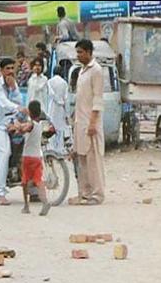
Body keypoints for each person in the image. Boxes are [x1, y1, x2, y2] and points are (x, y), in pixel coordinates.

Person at [69, 39, 105, 206]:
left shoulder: (96, 70)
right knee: (81, 159)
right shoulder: (82, 71)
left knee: (93, 161)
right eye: (77, 52)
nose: (78, 55)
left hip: (91, 123)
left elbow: (98, 99)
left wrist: (93, 123)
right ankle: (84, 194)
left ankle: (97, 195)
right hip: (80, 122)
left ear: (89, 52)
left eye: (81, 52)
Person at [0, 58, 23, 205]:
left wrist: (14, 88)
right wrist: (18, 109)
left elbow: (19, 100)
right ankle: (0, 193)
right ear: (2, 71)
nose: (10, 71)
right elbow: (4, 103)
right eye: (7, 68)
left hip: (12, 124)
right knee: (4, 155)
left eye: (12, 68)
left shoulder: (12, 84)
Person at [12, 100, 51, 216]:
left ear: (29, 112)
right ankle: (45, 201)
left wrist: (17, 126)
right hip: (37, 157)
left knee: (24, 181)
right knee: (38, 181)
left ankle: (26, 205)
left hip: (27, 157)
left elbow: (24, 129)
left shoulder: (31, 124)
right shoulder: (39, 125)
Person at [47, 66, 69, 154]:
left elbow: (50, 94)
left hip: (52, 106)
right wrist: (66, 112)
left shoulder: (50, 81)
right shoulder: (64, 83)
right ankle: (59, 147)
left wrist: (56, 99)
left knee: (52, 126)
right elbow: (66, 98)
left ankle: (51, 147)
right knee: (60, 127)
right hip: (61, 107)